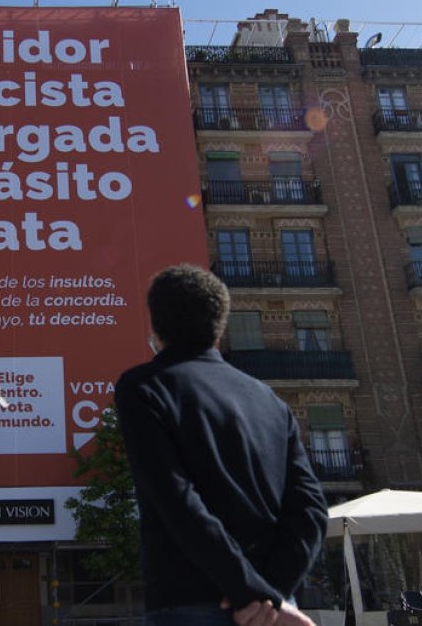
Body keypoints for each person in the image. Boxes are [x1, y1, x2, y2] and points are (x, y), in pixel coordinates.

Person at [114, 265, 328, 626]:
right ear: (220, 324)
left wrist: (250, 591)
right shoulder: (269, 400)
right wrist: (271, 595)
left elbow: (177, 501)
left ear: (155, 322)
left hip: (190, 602)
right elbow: (310, 509)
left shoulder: (144, 387)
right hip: (272, 610)